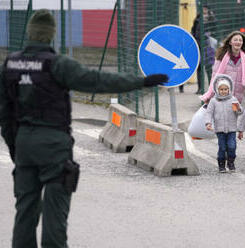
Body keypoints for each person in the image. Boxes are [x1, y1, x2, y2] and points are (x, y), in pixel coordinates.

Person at [0, 9, 168, 248]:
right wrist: (141, 81)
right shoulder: (58, 65)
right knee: (55, 214)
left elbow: (5, 115)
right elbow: (98, 81)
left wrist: (16, 148)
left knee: (24, 212)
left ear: (30, 33)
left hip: (25, 143)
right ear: (50, 35)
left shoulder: (11, 64)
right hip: (54, 146)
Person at [200, 31, 245, 105]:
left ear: (242, 43)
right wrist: (210, 96)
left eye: (240, 40)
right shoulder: (220, 58)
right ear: (230, 42)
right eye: (235, 40)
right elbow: (215, 78)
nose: (238, 42)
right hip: (223, 99)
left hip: (240, 102)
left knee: (236, 115)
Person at [205, 74, 242, 173]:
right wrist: (208, 123)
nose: (223, 91)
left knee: (232, 146)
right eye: (221, 89)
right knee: (222, 147)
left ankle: (231, 162)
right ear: (217, 90)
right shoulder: (214, 101)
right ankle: (221, 164)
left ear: (229, 90)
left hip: (231, 129)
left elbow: (238, 112)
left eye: (226, 89)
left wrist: (238, 108)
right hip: (220, 129)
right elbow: (209, 113)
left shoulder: (233, 100)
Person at [188, 5, 216, 94]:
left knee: (208, 67)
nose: (204, 10)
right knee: (199, 67)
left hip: (208, 45)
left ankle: (211, 88)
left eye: (206, 9)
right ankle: (200, 88)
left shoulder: (211, 19)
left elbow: (215, 28)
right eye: (203, 9)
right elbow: (193, 30)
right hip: (198, 44)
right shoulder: (197, 19)